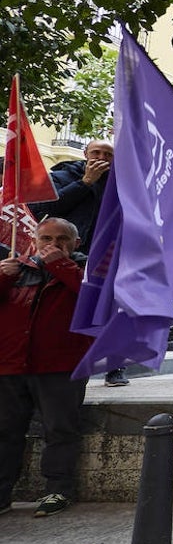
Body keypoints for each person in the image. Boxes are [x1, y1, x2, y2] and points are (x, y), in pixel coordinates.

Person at [0, 218, 93, 517]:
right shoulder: (17, 268)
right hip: (12, 365)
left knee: (60, 429)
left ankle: (58, 489)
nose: (53, 245)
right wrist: (2, 277)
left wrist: (61, 266)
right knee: (6, 431)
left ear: (75, 243)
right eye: (46, 238)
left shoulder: (86, 270)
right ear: (34, 240)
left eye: (62, 239)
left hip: (59, 366)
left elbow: (97, 301)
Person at [29, 139, 128, 388]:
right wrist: (85, 183)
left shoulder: (122, 184)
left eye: (108, 154)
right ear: (85, 154)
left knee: (110, 308)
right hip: (64, 254)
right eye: (96, 152)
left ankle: (114, 366)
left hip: (104, 257)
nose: (102, 158)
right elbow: (41, 207)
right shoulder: (64, 174)